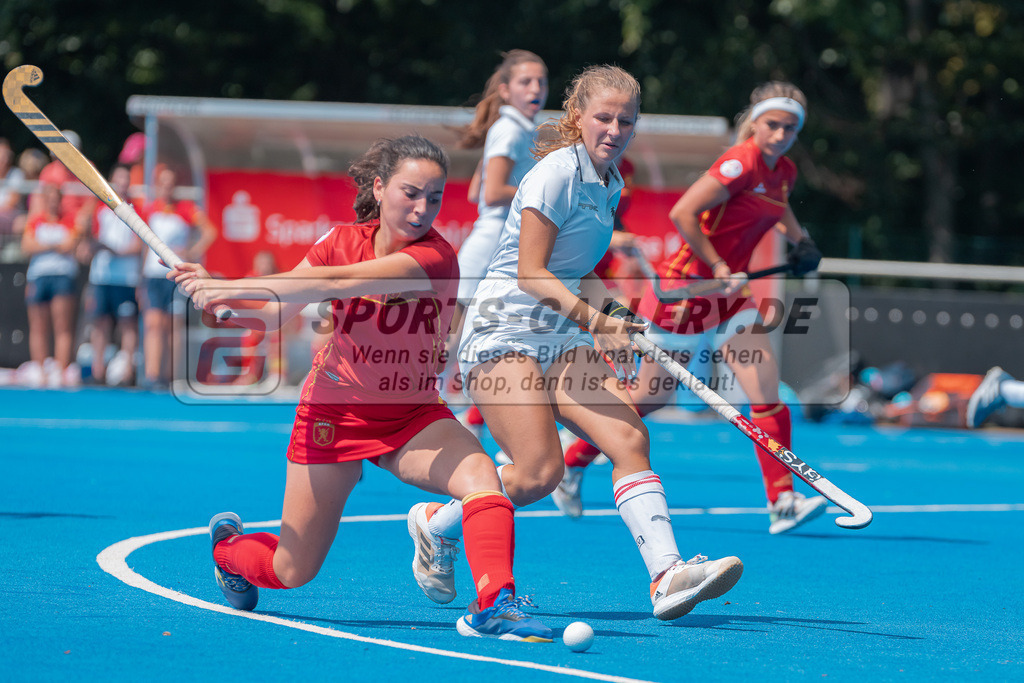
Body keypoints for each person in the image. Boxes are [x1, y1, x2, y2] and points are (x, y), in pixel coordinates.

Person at [170, 135, 552, 642]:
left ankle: (495, 603)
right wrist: (219, 299)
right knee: (292, 570)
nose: (422, 209)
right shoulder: (337, 240)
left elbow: (338, 283)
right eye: (410, 193)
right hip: (333, 415)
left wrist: (227, 282)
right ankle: (228, 551)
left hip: (411, 414)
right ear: (379, 186)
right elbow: (268, 316)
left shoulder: (435, 258)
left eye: (434, 198)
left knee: (483, 477)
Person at [411, 65, 743, 623]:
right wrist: (596, 320)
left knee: (629, 438)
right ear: (578, 117)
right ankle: (435, 524)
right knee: (539, 473)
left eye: (626, 121)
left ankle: (667, 576)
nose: (615, 129)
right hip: (503, 331)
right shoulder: (553, 175)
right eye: (604, 117)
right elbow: (531, 273)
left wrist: (613, 312)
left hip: (561, 333)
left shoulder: (609, 182)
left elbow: (580, 269)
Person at [555, 81, 828, 536]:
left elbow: (778, 206)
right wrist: (720, 263)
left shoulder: (785, 171)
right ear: (756, 124)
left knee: (765, 391)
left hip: (730, 298)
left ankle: (782, 500)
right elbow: (683, 212)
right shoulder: (739, 161)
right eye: (774, 125)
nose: (781, 135)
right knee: (649, 398)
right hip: (685, 292)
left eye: (791, 128)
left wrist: (802, 241)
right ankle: (572, 461)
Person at [447, 49, 549, 436]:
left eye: (541, 81)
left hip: (498, 245)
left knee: (496, 336)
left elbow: (475, 189)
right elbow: (490, 192)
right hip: (491, 247)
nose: (536, 89)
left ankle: (483, 423)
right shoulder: (511, 129)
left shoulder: (516, 129)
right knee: (446, 341)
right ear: (506, 91)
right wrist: (542, 192)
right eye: (526, 81)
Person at [139, 165, 217, 388]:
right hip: (152, 276)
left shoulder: (186, 209)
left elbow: (210, 231)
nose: (166, 187)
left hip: (176, 277)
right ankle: (152, 376)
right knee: (153, 324)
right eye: (162, 183)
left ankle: (170, 377)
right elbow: (143, 247)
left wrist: (190, 252)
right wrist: (139, 277)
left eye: (170, 183)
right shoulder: (150, 209)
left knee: (173, 326)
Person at [80, 164, 142, 386]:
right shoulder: (99, 206)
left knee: (127, 323)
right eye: (119, 179)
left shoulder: (136, 208)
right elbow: (90, 237)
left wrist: (115, 252)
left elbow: (140, 245)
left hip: (126, 277)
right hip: (102, 276)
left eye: (126, 179)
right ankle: (98, 370)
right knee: (100, 323)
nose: (123, 184)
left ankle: (126, 370)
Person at [20, 183, 84, 387]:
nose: (53, 202)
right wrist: (54, 246)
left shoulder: (70, 220)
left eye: (56, 198)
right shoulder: (36, 220)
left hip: (62, 276)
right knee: (38, 326)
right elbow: (27, 245)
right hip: (39, 276)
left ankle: (60, 369)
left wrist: (45, 246)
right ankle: (40, 370)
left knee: (62, 325)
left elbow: (70, 245)